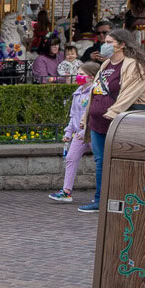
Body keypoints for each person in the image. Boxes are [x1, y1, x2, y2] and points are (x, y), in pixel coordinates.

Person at [79, 30, 145, 214]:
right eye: (104, 41)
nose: (104, 45)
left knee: (123, 162)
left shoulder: (135, 66)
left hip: (119, 120)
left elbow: (130, 93)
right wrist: (86, 117)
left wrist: (113, 111)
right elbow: (95, 91)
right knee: (101, 161)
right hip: (99, 121)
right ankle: (100, 199)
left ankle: (127, 198)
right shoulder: (106, 63)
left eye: (109, 41)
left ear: (122, 44)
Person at [47, 71, 94, 204]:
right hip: (79, 134)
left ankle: (102, 195)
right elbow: (73, 115)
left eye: (81, 73)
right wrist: (68, 132)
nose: (78, 76)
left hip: (92, 132)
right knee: (70, 158)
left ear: (91, 76)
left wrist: (86, 130)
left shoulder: (95, 91)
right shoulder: (77, 92)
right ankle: (66, 192)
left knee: (100, 162)